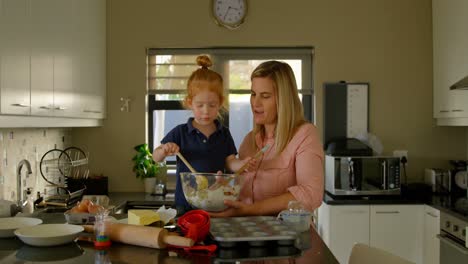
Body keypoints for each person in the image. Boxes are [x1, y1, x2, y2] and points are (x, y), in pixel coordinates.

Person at [210, 60, 324, 217]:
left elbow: (311, 194)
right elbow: (244, 195)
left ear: (283, 101)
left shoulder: (305, 135)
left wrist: (251, 209)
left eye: (265, 96)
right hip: (248, 232)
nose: (255, 103)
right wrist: (224, 190)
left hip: (287, 236)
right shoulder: (249, 140)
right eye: (253, 94)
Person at [152, 55, 250, 215]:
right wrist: (164, 149)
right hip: (185, 205)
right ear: (190, 102)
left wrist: (243, 164)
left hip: (217, 204)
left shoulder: (223, 133)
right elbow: (155, 158)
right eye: (200, 105)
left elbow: (230, 162)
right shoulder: (180, 132)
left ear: (220, 102)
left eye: (212, 105)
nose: (206, 111)